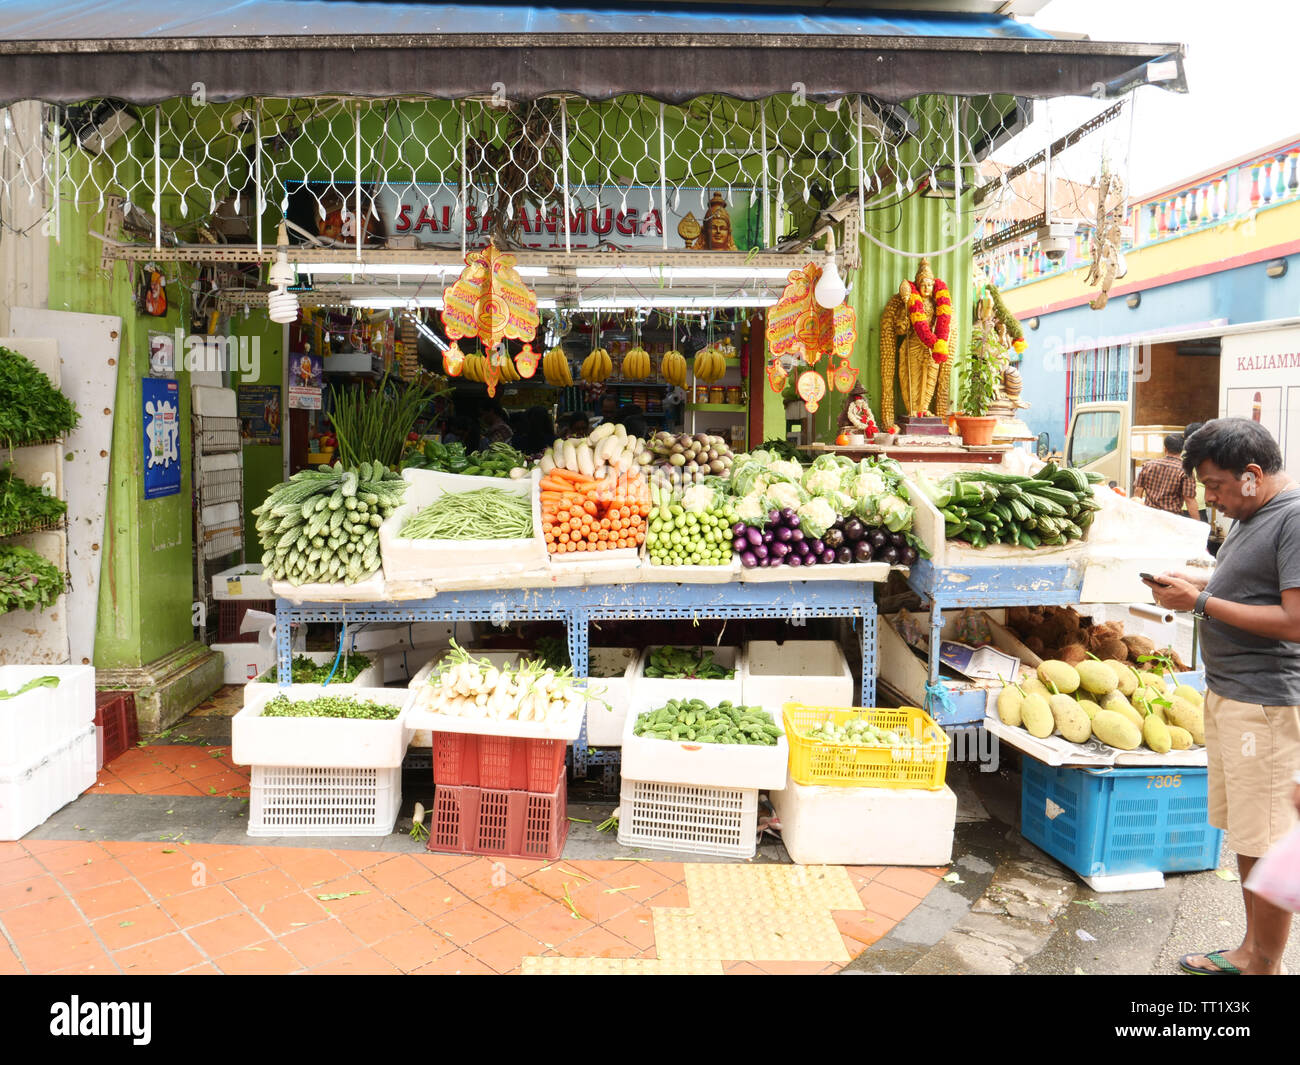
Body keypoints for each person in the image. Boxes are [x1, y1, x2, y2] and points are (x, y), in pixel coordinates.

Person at [1144, 418, 1300, 976]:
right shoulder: (1253, 515)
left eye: (1215, 486)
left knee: (1270, 839)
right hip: (1233, 696)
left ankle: (1264, 964)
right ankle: (1249, 950)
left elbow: (1294, 620)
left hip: (1266, 703)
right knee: (1250, 835)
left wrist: (1203, 603)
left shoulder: (1294, 519)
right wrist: (1196, 585)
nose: (1210, 499)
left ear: (1252, 475)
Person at [1132, 433, 1199, 518]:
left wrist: (1136, 514)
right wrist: (1198, 523)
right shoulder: (1185, 471)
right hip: (1171, 519)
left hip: (1149, 516)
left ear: (1165, 449)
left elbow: (1138, 491)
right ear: (1182, 450)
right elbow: (1189, 500)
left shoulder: (1148, 465)